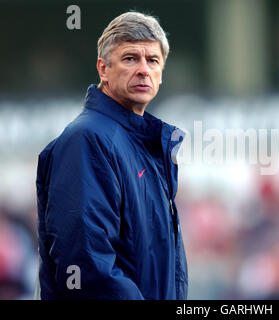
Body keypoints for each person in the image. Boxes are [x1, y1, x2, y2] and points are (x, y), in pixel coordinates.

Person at [35, 11, 188, 299]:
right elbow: (87, 264)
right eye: (130, 58)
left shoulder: (146, 145)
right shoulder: (87, 139)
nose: (143, 69)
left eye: (152, 60)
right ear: (103, 69)